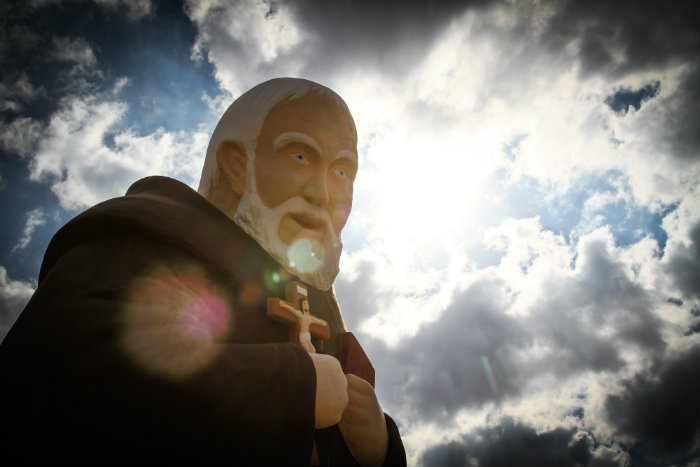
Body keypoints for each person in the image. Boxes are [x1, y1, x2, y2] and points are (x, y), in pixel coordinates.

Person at [0, 78, 406, 466]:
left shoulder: (321, 309)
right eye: (300, 156)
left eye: (341, 171)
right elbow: (53, 383)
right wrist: (290, 388)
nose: (323, 192)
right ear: (235, 164)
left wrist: (380, 449)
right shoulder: (148, 238)